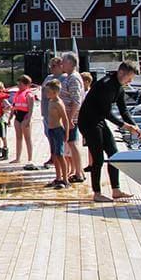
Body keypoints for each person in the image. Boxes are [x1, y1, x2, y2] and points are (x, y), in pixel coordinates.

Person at [77, 61, 141, 203]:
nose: (131, 81)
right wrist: (125, 127)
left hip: (99, 120)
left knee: (114, 154)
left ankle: (116, 190)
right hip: (88, 122)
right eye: (130, 77)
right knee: (98, 158)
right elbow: (107, 113)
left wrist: (135, 126)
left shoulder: (119, 87)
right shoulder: (106, 85)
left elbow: (123, 110)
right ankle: (97, 193)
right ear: (121, 73)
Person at [59, 52, 86, 183]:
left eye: (63, 62)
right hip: (69, 117)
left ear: (70, 63)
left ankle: (78, 173)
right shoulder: (71, 77)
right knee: (71, 144)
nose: (61, 64)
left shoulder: (73, 78)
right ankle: (78, 171)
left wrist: (69, 118)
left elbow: (76, 100)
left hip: (72, 118)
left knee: (72, 144)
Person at [44, 80, 70, 187]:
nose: (46, 94)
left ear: (55, 92)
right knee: (54, 155)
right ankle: (58, 177)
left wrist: (67, 134)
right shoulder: (51, 101)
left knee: (60, 155)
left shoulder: (59, 103)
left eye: (48, 92)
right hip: (51, 130)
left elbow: (65, 119)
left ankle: (65, 179)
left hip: (58, 130)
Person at [10, 75, 36, 164]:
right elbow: (13, 107)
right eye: (18, 84)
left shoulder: (29, 95)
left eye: (21, 84)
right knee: (18, 137)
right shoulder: (17, 94)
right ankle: (17, 158)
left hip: (25, 116)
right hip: (17, 116)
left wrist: (28, 120)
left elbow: (31, 109)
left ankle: (30, 158)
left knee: (27, 138)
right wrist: (10, 117)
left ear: (27, 85)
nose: (19, 86)